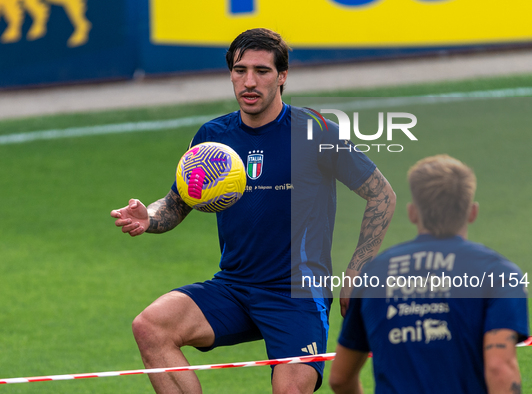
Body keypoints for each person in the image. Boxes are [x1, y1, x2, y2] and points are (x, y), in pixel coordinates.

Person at [110, 28, 396, 394]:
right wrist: (148, 217)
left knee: (289, 389)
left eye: (261, 71)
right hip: (234, 287)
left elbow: (382, 196)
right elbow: (175, 203)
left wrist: (358, 268)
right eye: (240, 70)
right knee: (150, 326)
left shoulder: (316, 131)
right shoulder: (212, 138)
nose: (249, 81)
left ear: (282, 76)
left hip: (298, 295)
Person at [330, 154, 529, 394]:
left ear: (413, 212)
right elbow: (500, 369)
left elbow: (340, 379)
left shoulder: (373, 276)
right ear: (472, 212)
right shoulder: (500, 274)